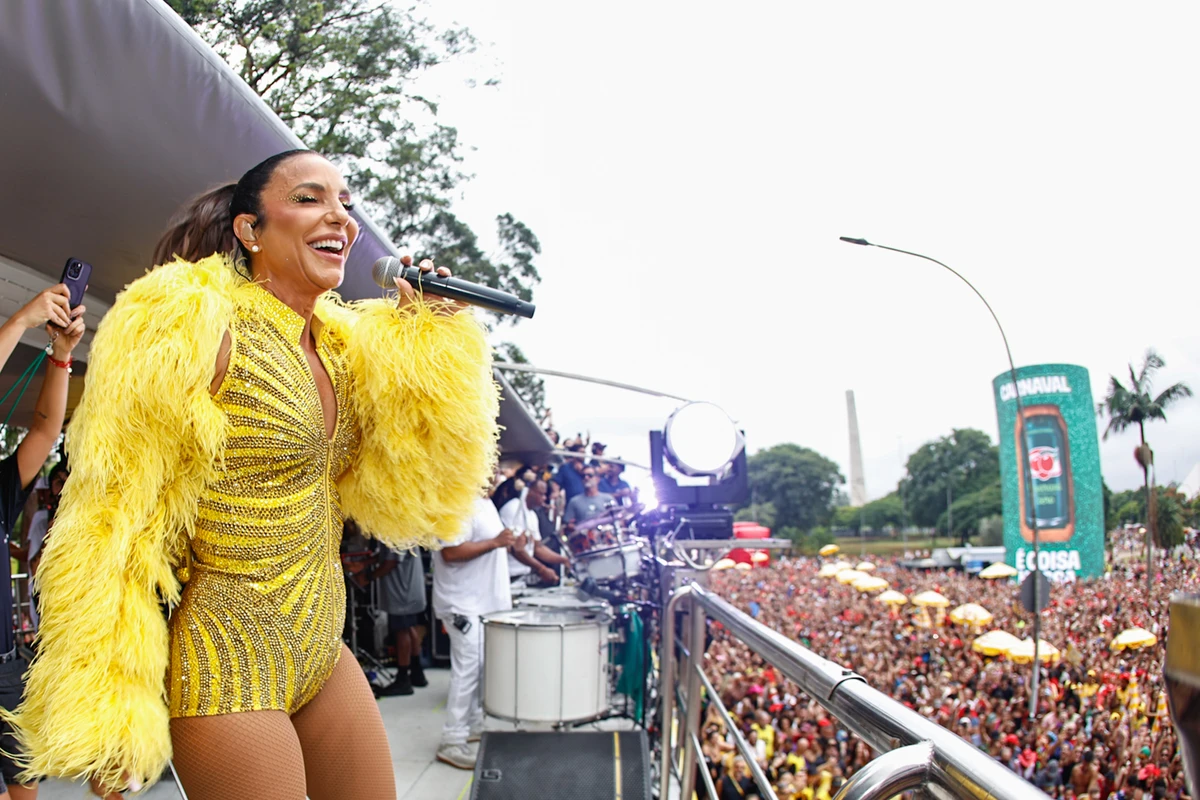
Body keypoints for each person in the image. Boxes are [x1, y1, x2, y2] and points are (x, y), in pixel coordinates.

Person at [6, 150, 499, 800]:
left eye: (345, 202)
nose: (341, 218)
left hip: (322, 640)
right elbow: (110, 514)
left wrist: (432, 340)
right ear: (249, 229)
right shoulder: (188, 323)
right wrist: (108, 694)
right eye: (309, 198)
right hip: (225, 657)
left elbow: (417, 493)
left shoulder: (346, 345)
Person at [0, 284, 88, 800]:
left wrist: (60, 357)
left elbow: (44, 426)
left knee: (26, 783)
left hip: (6, 666)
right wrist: (22, 319)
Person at [431, 496, 515, 769]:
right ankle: (452, 740)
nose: (495, 473)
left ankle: (473, 724)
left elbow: (491, 542)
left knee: (481, 665)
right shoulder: (455, 502)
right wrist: (495, 543)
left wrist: (509, 544)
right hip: (462, 604)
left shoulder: (485, 503)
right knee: (468, 667)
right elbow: (451, 552)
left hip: (481, 603)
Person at [367, 544, 429, 697]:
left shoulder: (395, 531)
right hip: (410, 588)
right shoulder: (405, 524)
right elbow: (390, 555)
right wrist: (367, 561)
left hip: (402, 591)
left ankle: (403, 680)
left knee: (402, 632)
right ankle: (416, 672)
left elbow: (392, 562)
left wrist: (368, 577)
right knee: (409, 628)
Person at [498, 479, 569, 585]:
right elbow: (516, 549)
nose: (544, 498)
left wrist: (563, 560)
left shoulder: (532, 515)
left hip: (524, 576)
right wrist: (542, 569)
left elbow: (538, 548)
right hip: (510, 575)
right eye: (541, 494)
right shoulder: (513, 509)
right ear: (530, 491)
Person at [563, 467, 616, 532]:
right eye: (583, 476)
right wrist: (579, 529)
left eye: (590, 475)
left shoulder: (608, 499)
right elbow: (567, 523)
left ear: (597, 479)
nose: (586, 478)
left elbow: (618, 519)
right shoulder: (574, 501)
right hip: (584, 540)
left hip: (606, 538)